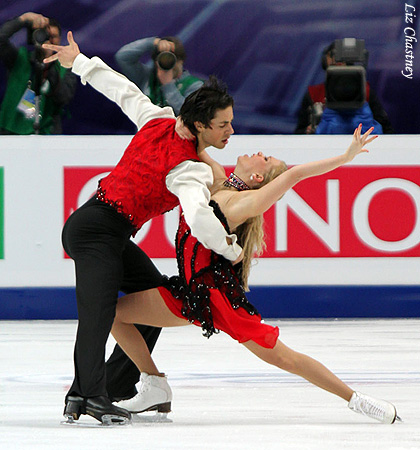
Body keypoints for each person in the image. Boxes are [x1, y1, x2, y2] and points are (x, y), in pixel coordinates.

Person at [110, 125, 400, 424]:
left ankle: (356, 399)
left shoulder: (241, 204)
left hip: (218, 299)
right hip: (189, 292)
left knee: (285, 358)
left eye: (266, 158)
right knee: (114, 313)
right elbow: (196, 147)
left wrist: (344, 157)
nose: (260, 153)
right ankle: (154, 383)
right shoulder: (218, 184)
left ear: (258, 178)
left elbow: (295, 175)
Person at [43, 32, 242, 425]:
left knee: (157, 301)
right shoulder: (189, 169)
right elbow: (201, 218)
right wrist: (232, 250)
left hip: (109, 231)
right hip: (94, 229)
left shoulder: (159, 119)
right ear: (201, 125)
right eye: (223, 125)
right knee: (98, 314)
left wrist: (80, 62)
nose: (230, 132)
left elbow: (122, 90)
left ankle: (111, 387)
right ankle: (90, 396)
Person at [0, 12, 77, 134]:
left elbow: (64, 97)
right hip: (10, 131)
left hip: (46, 134)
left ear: (60, 40)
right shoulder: (20, 59)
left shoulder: (65, 68)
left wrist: (48, 66)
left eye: (53, 36)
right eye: (45, 36)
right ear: (35, 36)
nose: (49, 41)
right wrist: (23, 19)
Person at [294, 41, 394, 135]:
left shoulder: (366, 92)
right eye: (333, 55)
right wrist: (308, 131)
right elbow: (299, 131)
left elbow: (386, 129)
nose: (338, 60)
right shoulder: (313, 93)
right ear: (325, 59)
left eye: (341, 56)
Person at [115, 36, 203, 115]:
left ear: (181, 61)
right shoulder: (146, 77)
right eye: (163, 59)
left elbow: (190, 115)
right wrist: (153, 42)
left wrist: (168, 86)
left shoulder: (195, 85)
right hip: (148, 131)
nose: (168, 64)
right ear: (156, 62)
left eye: (171, 60)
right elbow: (122, 57)